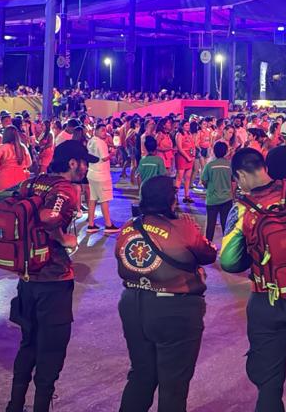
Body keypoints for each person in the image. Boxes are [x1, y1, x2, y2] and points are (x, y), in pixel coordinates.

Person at [219, 148, 286, 412]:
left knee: (268, 383)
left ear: (241, 175)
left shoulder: (242, 209)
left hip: (266, 301)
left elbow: (228, 261)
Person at [6, 140, 96, 412]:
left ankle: (15, 405)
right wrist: (64, 238)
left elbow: (0, 201)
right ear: (72, 163)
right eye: (84, 163)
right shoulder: (64, 189)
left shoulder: (33, 182)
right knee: (52, 350)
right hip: (53, 278)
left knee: (28, 343)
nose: (86, 168)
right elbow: (48, 216)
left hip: (27, 277)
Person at [114, 176, 217, 412]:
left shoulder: (129, 227)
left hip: (132, 305)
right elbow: (209, 254)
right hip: (175, 310)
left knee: (141, 375)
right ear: (171, 201)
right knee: (173, 385)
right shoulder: (183, 227)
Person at [84, 123, 118, 233]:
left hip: (92, 173)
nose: (105, 132)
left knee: (92, 199)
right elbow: (104, 158)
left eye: (105, 130)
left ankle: (91, 224)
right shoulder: (101, 143)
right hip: (101, 175)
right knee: (104, 200)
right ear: (96, 131)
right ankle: (108, 225)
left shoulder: (91, 141)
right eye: (102, 130)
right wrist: (112, 153)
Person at [200, 141, 234, 243]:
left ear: (214, 151)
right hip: (227, 198)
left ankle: (207, 246)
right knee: (226, 225)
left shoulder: (210, 165)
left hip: (212, 199)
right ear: (226, 152)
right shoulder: (229, 165)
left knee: (210, 224)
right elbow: (233, 180)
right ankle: (226, 248)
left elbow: (204, 180)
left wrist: (209, 187)